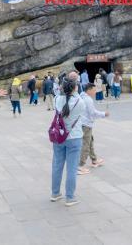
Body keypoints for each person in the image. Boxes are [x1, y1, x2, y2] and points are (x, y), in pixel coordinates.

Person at [50, 78, 84, 207]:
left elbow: (59, 96)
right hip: (74, 137)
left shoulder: (57, 99)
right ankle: (70, 197)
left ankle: (55, 193)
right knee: (72, 168)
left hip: (59, 136)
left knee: (57, 166)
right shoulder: (80, 102)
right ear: (75, 88)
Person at [77, 83, 109, 175]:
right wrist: (104, 114)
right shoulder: (88, 99)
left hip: (82, 123)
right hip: (86, 124)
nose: (95, 92)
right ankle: (80, 166)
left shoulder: (81, 96)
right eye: (94, 90)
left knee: (90, 141)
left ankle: (94, 160)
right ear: (89, 90)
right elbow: (92, 113)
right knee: (86, 145)